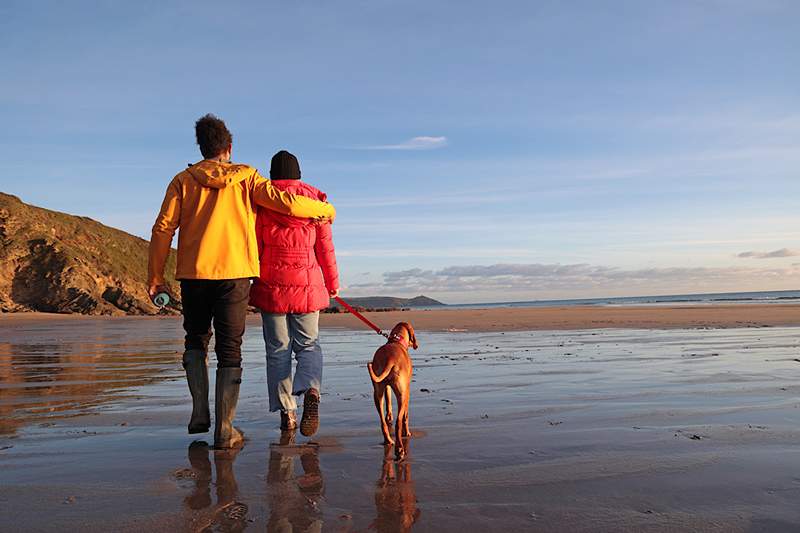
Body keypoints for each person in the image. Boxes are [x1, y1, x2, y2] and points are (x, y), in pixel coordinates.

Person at [147, 115, 335, 449]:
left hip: (194, 273)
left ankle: (200, 411)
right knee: (229, 349)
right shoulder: (246, 178)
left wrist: (155, 277)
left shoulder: (182, 180)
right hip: (234, 276)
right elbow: (287, 203)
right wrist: (326, 210)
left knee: (196, 339)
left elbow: (163, 228)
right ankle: (225, 430)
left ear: (202, 147)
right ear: (229, 147)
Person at [249, 150, 339, 437]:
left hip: (272, 286)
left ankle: (288, 414)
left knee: (278, 351)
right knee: (309, 345)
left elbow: (254, 247)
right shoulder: (316, 204)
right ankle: (311, 389)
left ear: (273, 176)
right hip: (308, 286)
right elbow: (325, 249)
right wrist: (332, 282)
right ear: (298, 174)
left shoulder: (262, 203)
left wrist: (251, 278)